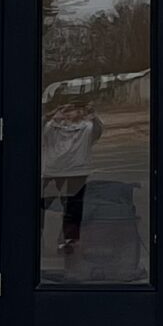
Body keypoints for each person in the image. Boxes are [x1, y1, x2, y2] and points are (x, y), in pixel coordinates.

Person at [40, 94, 102, 258]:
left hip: (76, 171)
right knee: (41, 205)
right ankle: (37, 238)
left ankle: (69, 240)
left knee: (72, 207)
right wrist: (51, 115)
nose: (69, 113)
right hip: (51, 171)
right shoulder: (51, 127)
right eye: (66, 110)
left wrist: (92, 115)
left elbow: (97, 130)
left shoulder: (86, 127)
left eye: (74, 110)